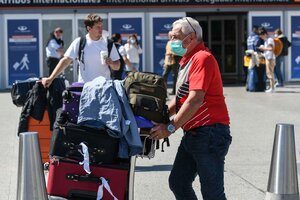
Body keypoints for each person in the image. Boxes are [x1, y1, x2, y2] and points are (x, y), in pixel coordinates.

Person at [149, 17, 232, 200]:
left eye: (175, 36)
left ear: (191, 37)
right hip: (194, 134)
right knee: (178, 182)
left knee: (212, 195)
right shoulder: (188, 59)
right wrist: (161, 115)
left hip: (210, 133)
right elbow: (182, 98)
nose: (172, 41)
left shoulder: (202, 58)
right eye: (170, 36)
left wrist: (169, 128)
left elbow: (195, 100)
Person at [41, 13, 120, 88]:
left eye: (101, 26)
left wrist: (112, 63)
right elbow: (65, 61)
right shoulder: (80, 42)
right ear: (89, 28)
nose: (101, 29)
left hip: (105, 87)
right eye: (97, 27)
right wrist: (51, 78)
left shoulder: (108, 43)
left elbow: (117, 66)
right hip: (85, 88)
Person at [258, 27, 276, 93]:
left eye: (261, 35)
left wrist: (263, 48)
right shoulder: (267, 40)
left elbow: (271, 48)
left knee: (270, 73)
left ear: (265, 34)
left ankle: (272, 88)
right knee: (269, 73)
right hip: (268, 58)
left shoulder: (269, 40)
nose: (261, 37)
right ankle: (271, 87)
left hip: (270, 58)